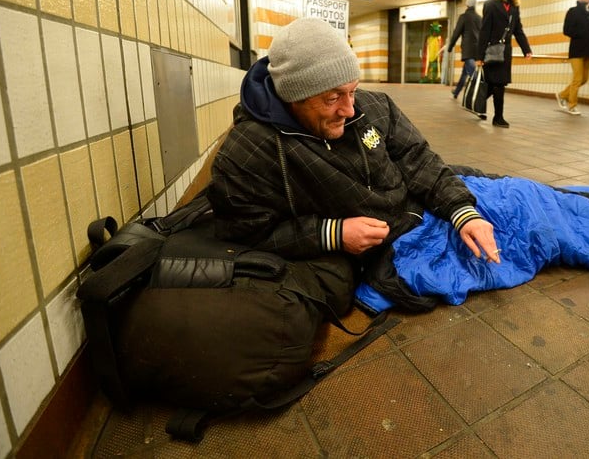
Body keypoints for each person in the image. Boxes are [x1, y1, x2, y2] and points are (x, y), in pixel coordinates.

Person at [207, 17, 501, 311]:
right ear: (292, 96)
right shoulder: (248, 152)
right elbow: (246, 233)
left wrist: (464, 213)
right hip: (387, 248)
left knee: (514, 202)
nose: (349, 109)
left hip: (421, 211)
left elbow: (419, 159)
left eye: (352, 91)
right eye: (332, 97)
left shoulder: (374, 106)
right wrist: (333, 234)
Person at [476, 0, 533, 128]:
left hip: (505, 51)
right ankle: (498, 117)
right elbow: (484, 31)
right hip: (493, 50)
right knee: (497, 84)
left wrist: (526, 49)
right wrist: (479, 56)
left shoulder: (514, 7)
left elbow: (518, 30)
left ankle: (476, 103)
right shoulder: (490, 5)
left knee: (495, 84)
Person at [557, 0, 589, 116]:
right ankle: (572, 106)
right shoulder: (573, 11)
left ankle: (562, 95)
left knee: (584, 79)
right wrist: (584, 33)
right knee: (577, 79)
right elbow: (567, 30)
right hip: (576, 51)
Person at [448, 0, 482, 99]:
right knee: (465, 72)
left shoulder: (464, 16)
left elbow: (456, 33)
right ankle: (456, 92)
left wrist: (450, 46)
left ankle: (479, 94)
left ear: (467, 4)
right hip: (477, 49)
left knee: (472, 74)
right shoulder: (479, 18)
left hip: (468, 49)